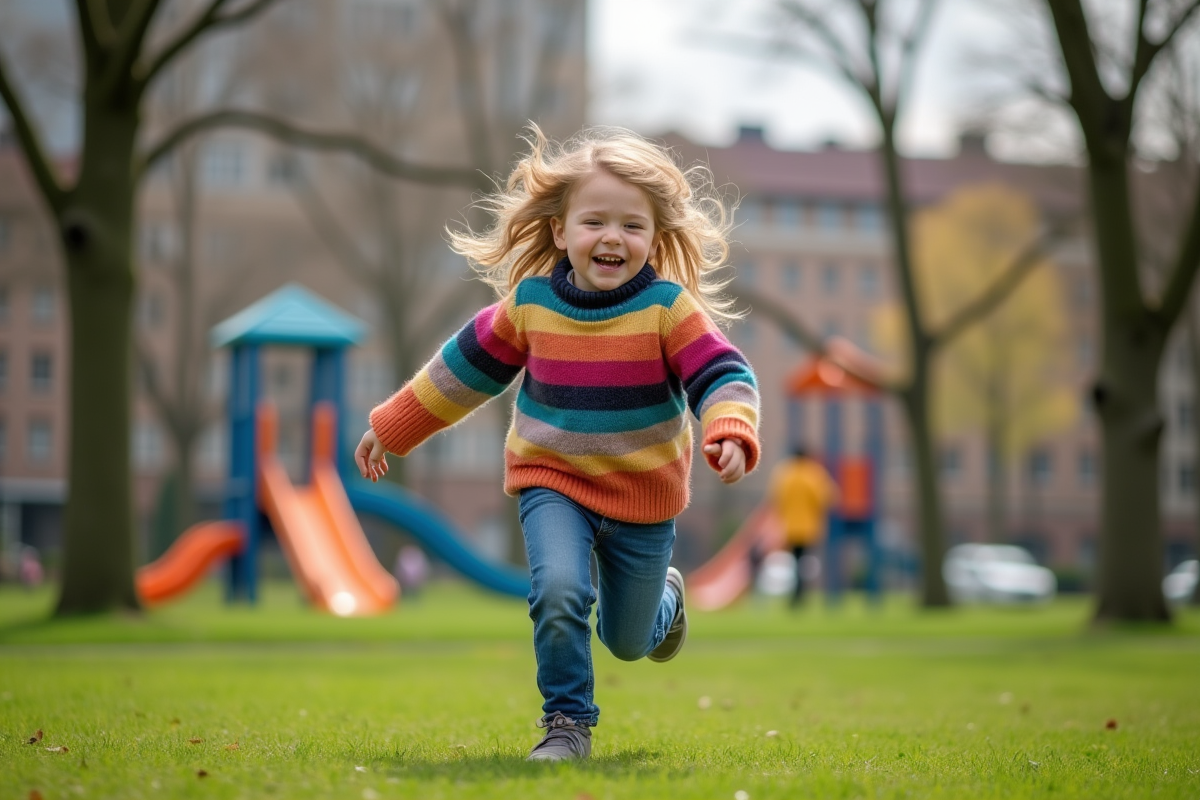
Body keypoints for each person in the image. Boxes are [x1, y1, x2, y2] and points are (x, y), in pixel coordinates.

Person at [355, 125, 760, 762]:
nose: (612, 238)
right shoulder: (531, 305)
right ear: (560, 231)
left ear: (654, 239)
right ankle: (567, 724)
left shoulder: (668, 309)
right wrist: (392, 425)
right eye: (594, 221)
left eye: (632, 226)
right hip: (554, 483)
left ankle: (665, 601)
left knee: (627, 640)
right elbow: (462, 371)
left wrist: (730, 425)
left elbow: (723, 372)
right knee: (559, 590)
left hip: (643, 497)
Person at [767, 445, 838, 608]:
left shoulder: (785, 473)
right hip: (808, 527)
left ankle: (796, 595)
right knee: (804, 562)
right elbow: (826, 497)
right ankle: (799, 595)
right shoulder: (813, 473)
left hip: (789, 526)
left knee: (796, 561)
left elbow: (776, 498)